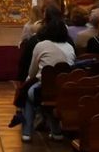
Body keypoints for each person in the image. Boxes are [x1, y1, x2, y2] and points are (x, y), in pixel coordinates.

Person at [20, 14, 75, 142]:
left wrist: (27, 81)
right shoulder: (70, 47)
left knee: (29, 95)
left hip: (44, 88)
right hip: (65, 89)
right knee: (50, 97)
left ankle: (27, 132)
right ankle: (56, 131)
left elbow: (32, 72)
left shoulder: (41, 45)